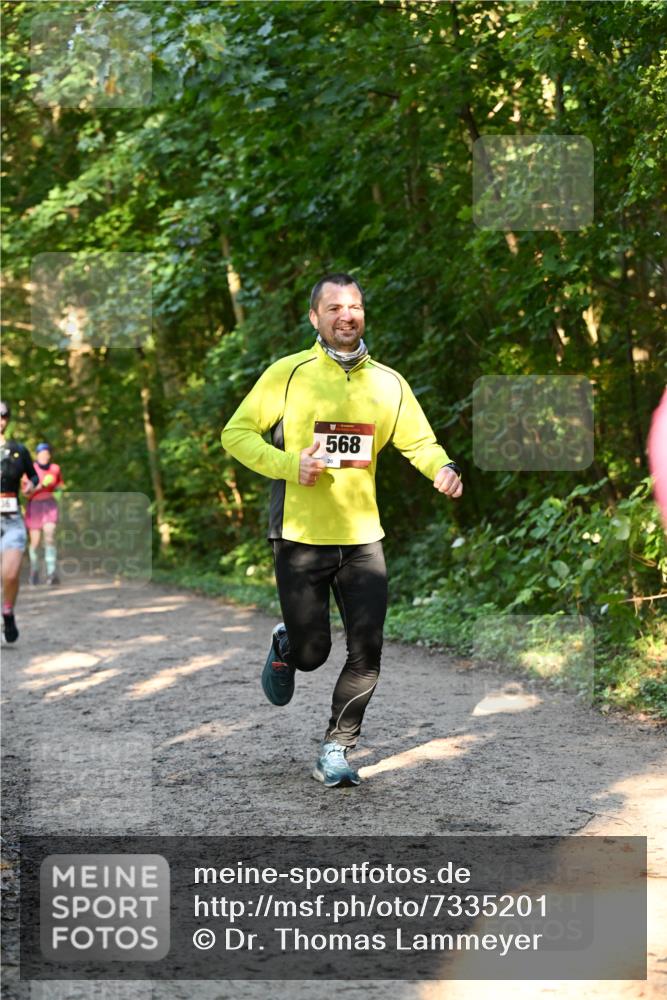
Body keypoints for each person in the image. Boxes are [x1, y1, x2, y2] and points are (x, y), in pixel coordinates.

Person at [221, 273, 462, 788]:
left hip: (362, 538)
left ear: (363, 314)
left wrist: (441, 467)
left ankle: (336, 746)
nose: (345, 315)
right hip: (300, 534)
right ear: (315, 318)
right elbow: (236, 434)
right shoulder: (288, 374)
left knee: (367, 649)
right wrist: (291, 465)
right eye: (333, 307)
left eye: (353, 306)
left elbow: (420, 442)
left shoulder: (388, 383)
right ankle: (289, 645)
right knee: (314, 655)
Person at [0, 402, 39, 643]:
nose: (0, 419)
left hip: (12, 519)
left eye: (4, 416)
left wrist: (30, 486)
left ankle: (8, 611)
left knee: (11, 574)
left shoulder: (18, 450)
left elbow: (33, 475)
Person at [23, 442, 64, 585]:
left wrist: (58, 494)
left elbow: (59, 486)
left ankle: (51, 572)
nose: (44, 456)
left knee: (50, 536)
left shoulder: (55, 468)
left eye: (47, 453)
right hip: (34, 506)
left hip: (50, 505)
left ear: (49, 455)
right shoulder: (30, 470)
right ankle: (34, 571)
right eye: (41, 453)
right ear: (37, 455)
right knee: (35, 542)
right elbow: (26, 494)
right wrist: (40, 486)